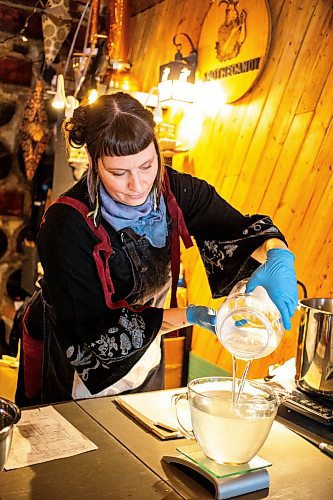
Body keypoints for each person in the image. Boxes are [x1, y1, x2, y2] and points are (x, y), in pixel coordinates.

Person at [15, 92, 298, 406]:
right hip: (78, 358)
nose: (137, 185)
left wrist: (278, 255)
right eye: (118, 173)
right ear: (94, 163)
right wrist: (189, 315)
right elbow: (99, 333)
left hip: (148, 346)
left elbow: (239, 232)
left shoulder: (175, 190)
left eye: (147, 165)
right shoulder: (65, 225)